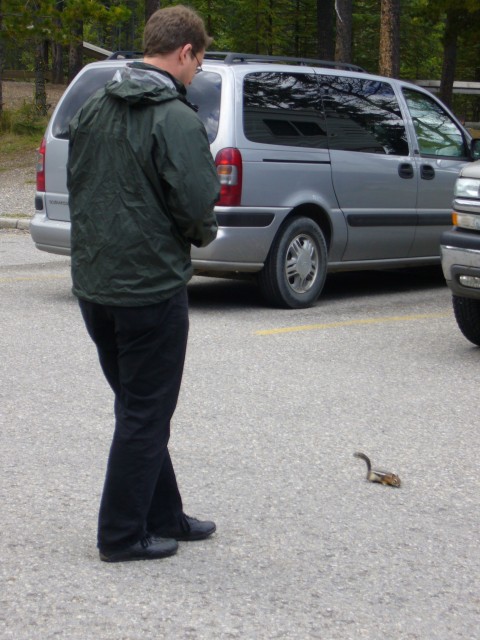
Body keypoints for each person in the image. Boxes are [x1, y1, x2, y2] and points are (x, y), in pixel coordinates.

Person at [67, 5, 220, 563]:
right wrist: (200, 233)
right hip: (151, 290)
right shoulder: (176, 119)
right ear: (185, 52)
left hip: (96, 287)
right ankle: (121, 535)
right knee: (145, 413)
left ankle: (164, 515)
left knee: (137, 407)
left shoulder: (92, 107)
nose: (196, 72)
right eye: (198, 61)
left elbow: (78, 187)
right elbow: (198, 205)